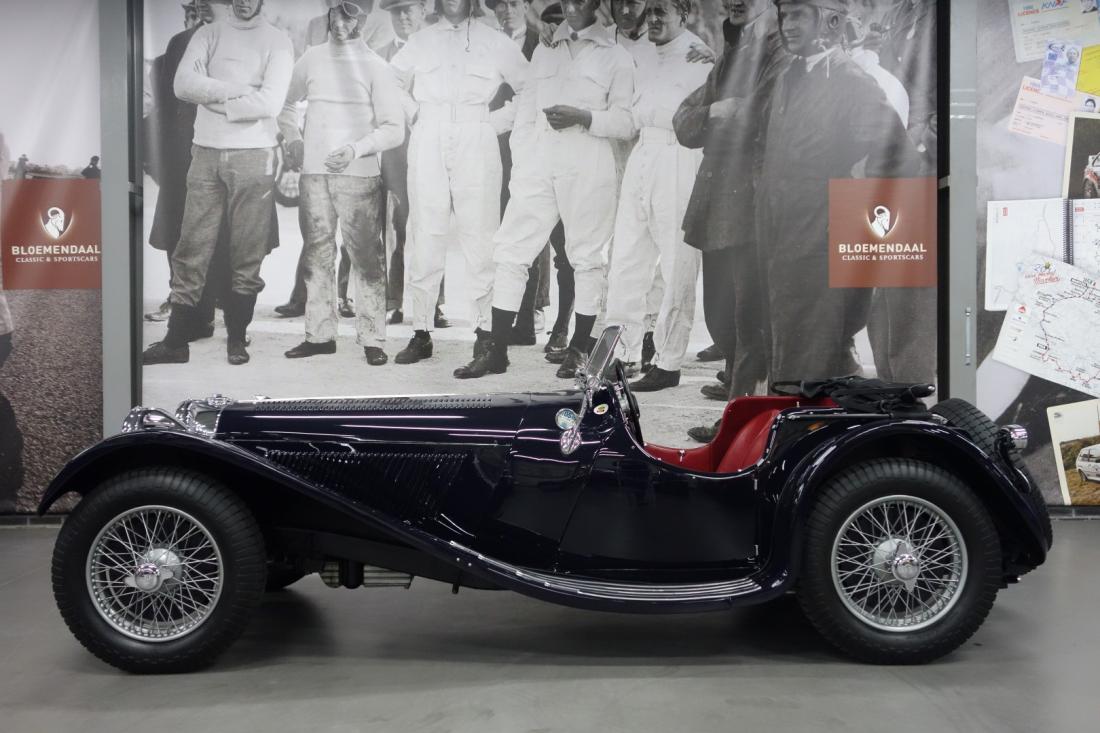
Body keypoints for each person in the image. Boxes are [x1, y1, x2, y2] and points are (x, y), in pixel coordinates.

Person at [455, 0, 634, 379]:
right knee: (510, 250)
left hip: (587, 161)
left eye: (581, 0)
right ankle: (496, 351)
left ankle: (579, 349)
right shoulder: (545, 50)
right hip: (538, 162)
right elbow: (526, 110)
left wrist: (584, 117)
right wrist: (523, 160)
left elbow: (625, 122)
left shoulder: (615, 56)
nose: (572, 7)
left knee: (586, 256)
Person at [753, 0, 918, 385]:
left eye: (798, 14)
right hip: (781, 232)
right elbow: (764, 148)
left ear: (830, 20)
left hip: (820, 238)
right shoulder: (789, 75)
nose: (787, 24)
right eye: (784, 15)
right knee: (788, 347)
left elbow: (897, 157)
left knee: (813, 358)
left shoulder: (852, 81)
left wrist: (847, 216)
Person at [143, 0, 294, 366]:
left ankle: (237, 340)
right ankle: (176, 342)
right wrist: (242, 91)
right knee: (190, 248)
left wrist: (214, 99)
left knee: (247, 251)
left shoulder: (278, 40)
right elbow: (182, 85)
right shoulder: (208, 34)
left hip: (254, 155)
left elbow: (271, 103)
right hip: (205, 152)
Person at [388, 0, 530, 368]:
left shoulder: (494, 40)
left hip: (476, 134)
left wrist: (495, 123)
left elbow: (530, 88)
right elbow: (391, 81)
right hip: (428, 133)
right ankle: (421, 331)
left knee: (481, 236)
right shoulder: (421, 40)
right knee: (425, 233)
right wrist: (413, 112)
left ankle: (485, 334)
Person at [674, 0, 784, 422]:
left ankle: (742, 419)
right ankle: (738, 399)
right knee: (721, 315)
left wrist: (717, 118)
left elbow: (757, 119)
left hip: (752, 203)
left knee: (750, 318)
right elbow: (683, 122)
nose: (734, 2)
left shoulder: (779, 50)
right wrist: (717, 110)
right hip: (717, 202)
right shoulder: (732, 52)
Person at [278, 0, 405, 365]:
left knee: (366, 258)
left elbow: (394, 128)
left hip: (359, 176)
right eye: (337, 11)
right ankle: (319, 335)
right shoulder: (312, 58)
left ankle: (372, 339)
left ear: (363, 17)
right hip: (314, 176)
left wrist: (355, 149)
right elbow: (285, 104)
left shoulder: (376, 66)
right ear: (329, 12)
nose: (342, 21)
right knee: (317, 254)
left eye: (351, 14)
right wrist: (293, 138)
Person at [605, 0, 711, 392]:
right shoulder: (642, 56)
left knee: (677, 263)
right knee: (626, 259)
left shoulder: (700, 58)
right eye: (649, 11)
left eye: (661, 11)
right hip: (643, 153)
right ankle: (621, 354)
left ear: (683, 13)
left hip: (679, 156)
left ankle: (667, 362)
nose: (652, 18)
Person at [143, 0, 233, 331]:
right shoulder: (176, 48)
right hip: (183, 155)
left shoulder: (244, 42)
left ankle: (222, 310)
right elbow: (162, 112)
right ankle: (189, 307)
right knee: (181, 232)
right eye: (193, 9)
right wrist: (160, 162)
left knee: (226, 233)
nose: (198, 13)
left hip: (226, 150)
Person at [376, 0, 449, 330]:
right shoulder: (379, 56)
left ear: (423, 10)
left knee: (432, 224)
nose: (403, 16)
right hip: (393, 153)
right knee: (396, 227)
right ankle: (393, 301)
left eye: (409, 9)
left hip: (433, 148)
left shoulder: (440, 48)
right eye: (396, 10)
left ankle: (434, 304)